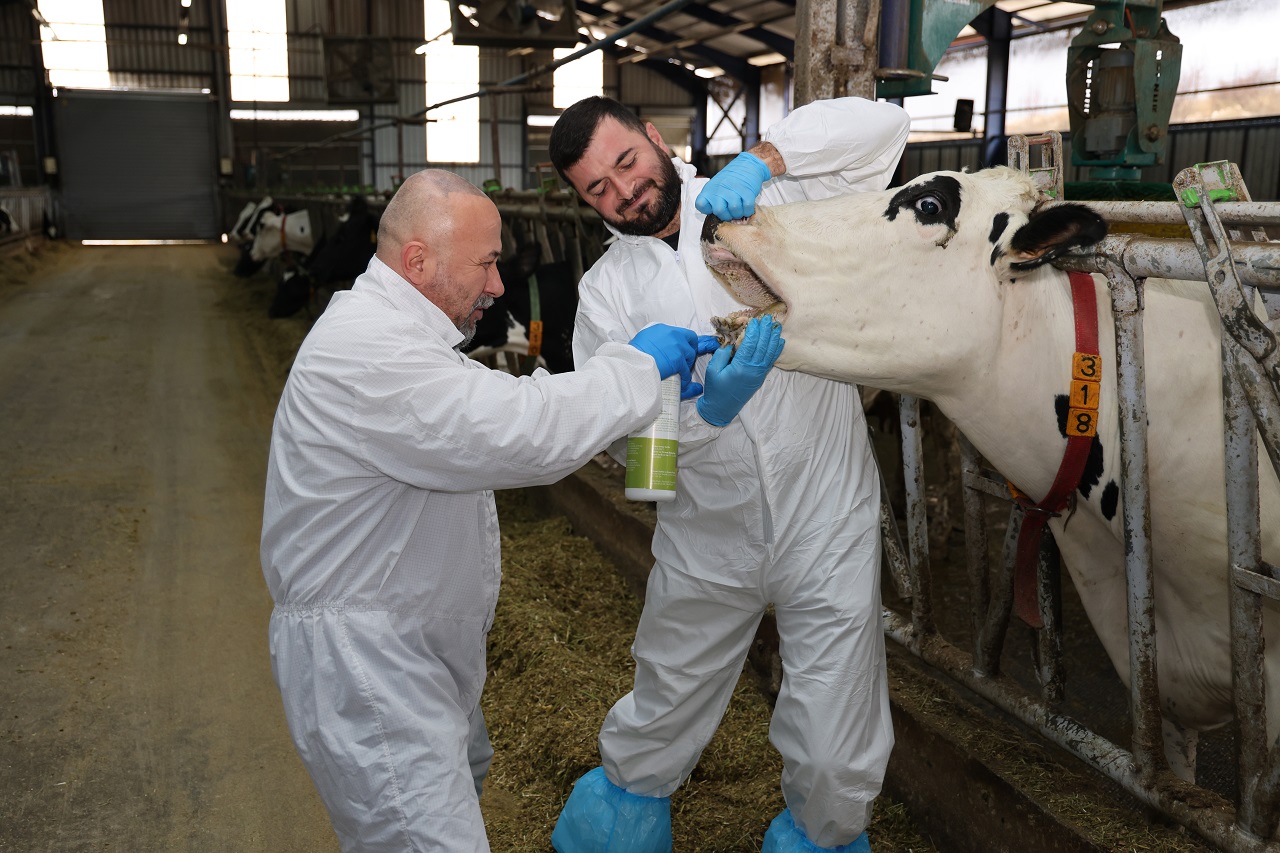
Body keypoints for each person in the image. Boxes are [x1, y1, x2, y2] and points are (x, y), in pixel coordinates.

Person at [259, 169, 733, 853]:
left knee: (460, 778)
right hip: (369, 664)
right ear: (418, 260)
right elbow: (521, 430)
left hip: (407, 642)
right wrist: (635, 369)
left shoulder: (402, 339)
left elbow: (502, 411)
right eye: (484, 263)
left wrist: (627, 387)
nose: (499, 285)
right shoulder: (369, 354)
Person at [546, 96, 912, 853]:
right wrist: (707, 413)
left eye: (627, 163)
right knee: (665, 699)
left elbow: (884, 128)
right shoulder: (606, 295)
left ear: (655, 138)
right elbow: (625, 453)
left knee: (836, 738)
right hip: (706, 531)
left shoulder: (773, 202)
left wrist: (762, 160)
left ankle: (822, 837)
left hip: (824, 513)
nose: (624, 192)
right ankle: (617, 829)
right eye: (597, 189)